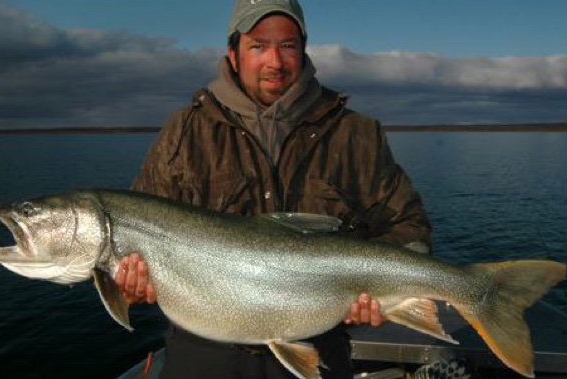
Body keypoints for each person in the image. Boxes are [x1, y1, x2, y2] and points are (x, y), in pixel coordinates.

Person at [115, 0, 431, 378]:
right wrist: (127, 289)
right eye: (258, 46)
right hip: (203, 358)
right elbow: (137, 234)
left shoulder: (354, 134)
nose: (275, 62)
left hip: (323, 348)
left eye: (287, 46)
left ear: (303, 50)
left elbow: (409, 226)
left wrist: (380, 288)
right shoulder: (184, 133)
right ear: (233, 55)